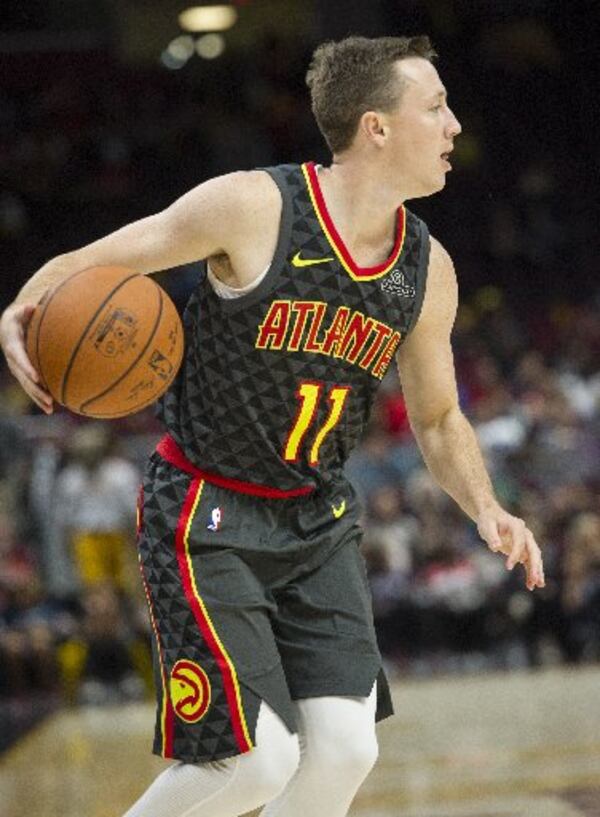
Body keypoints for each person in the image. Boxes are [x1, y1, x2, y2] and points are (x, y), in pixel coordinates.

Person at [0, 35, 545, 817]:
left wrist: (488, 508)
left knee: (349, 749)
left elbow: (437, 416)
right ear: (376, 127)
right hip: (207, 509)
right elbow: (99, 261)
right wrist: (24, 303)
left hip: (315, 519)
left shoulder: (429, 271)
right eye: (436, 106)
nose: (455, 124)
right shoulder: (255, 207)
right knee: (254, 762)